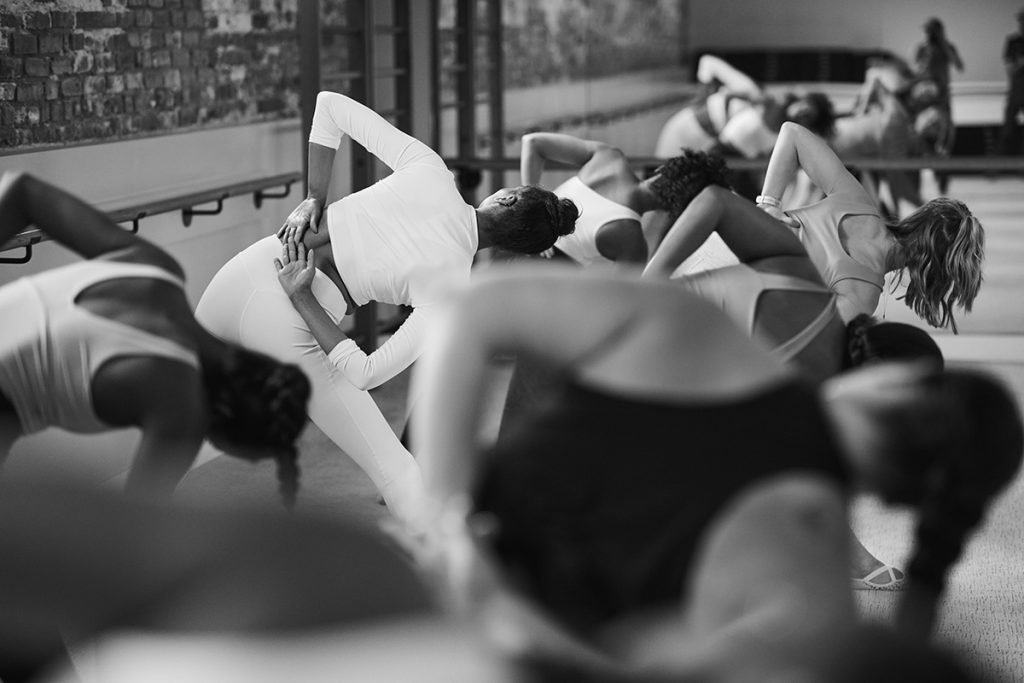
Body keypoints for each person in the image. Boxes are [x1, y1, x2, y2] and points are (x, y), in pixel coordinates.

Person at [412, 265, 1023, 680]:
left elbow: (465, 306)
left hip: (416, 624)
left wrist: (446, 521)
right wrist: (505, 616)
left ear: (899, 378)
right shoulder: (819, 594)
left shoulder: (698, 335)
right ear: (905, 499)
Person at [196, 91, 578, 524]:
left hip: (247, 269)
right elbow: (365, 373)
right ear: (517, 249)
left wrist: (312, 197)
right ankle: (450, 576)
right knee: (397, 472)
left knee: (178, 414)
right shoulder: (451, 289)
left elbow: (328, 106)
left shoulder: (430, 168)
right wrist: (302, 299)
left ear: (505, 197)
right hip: (294, 317)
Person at [0, 171, 310, 507]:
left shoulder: (157, 269)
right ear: (223, 415)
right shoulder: (182, 414)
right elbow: (135, 534)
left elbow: (23, 192)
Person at [644, 121, 985, 333]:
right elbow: (791, 336)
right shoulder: (863, 293)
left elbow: (791, 133)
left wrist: (768, 207)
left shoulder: (858, 200)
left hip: (709, 238)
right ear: (936, 271)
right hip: (726, 292)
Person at [654, 54, 836, 161]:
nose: (802, 113)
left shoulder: (780, 138)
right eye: (806, 107)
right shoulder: (760, 96)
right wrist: (704, 95)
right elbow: (708, 63)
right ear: (800, 99)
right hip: (688, 130)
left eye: (808, 116)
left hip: (708, 151)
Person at [997, 8, 1024, 156]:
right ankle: (998, 165)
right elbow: (1009, 68)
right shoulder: (1013, 42)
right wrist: (1020, 64)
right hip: (1016, 91)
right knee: (1007, 129)